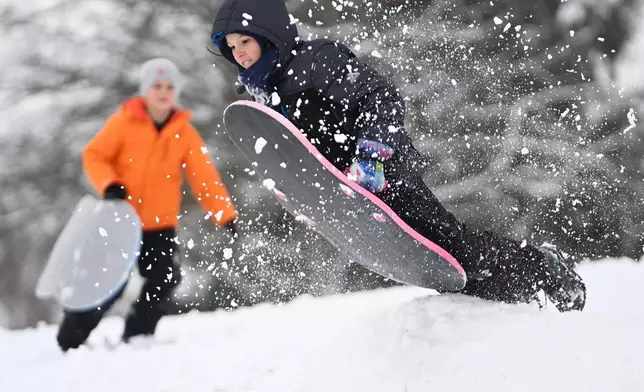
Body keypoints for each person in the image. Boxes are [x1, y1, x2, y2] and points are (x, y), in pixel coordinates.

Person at [209, 0, 587, 312]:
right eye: (231, 46)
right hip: (354, 192)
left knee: (456, 249)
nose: (239, 53)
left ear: (271, 34)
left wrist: (372, 155)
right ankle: (512, 304)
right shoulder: (268, 93)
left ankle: (543, 271)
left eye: (246, 40)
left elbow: (380, 97)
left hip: (386, 176)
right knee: (448, 268)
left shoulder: (315, 60)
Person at [56, 58, 238, 351]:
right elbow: (94, 155)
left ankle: (138, 334)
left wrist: (224, 214)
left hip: (159, 225)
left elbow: (204, 178)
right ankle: (71, 339)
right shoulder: (124, 122)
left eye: (169, 87)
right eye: (157, 86)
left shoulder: (184, 132)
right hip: (120, 221)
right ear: (145, 90)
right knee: (108, 286)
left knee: (166, 277)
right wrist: (109, 183)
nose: (164, 92)